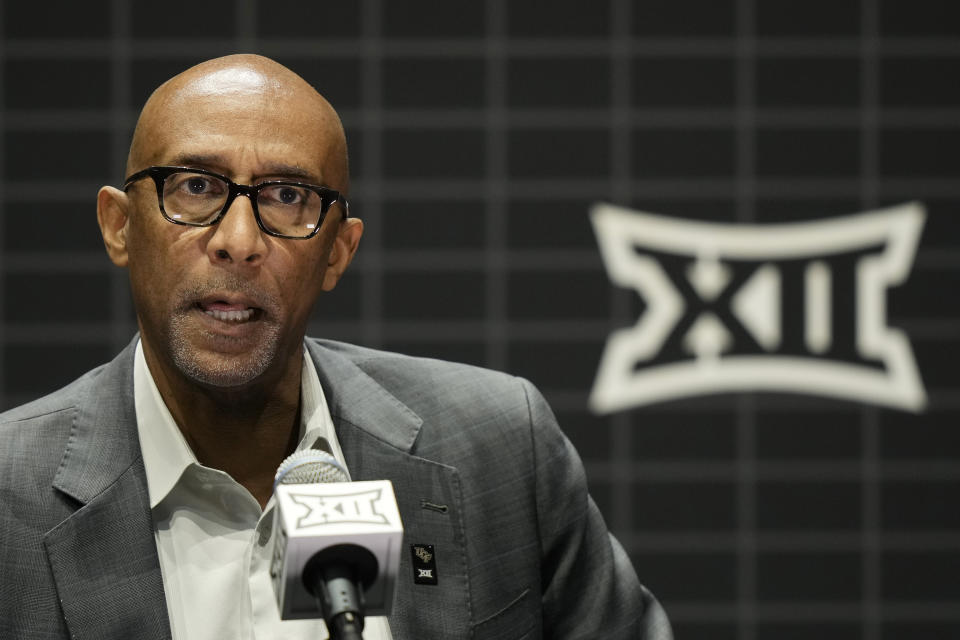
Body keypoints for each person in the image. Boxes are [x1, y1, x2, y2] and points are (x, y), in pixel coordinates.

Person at [0, 55, 672, 640]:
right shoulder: (10, 496)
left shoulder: (499, 451)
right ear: (119, 227)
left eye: (286, 196)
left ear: (337, 253)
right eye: (196, 187)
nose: (239, 238)